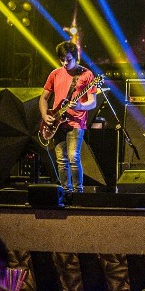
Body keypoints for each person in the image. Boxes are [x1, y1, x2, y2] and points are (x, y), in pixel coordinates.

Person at [39, 40, 98, 193]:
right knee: (61, 160)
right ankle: (66, 192)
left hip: (76, 123)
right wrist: (45, 115)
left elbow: (92, 102)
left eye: (69, 59)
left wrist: (80, 106)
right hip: (57, 122)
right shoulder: (55, 73)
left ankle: (78, 192)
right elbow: (43, 98)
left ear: (76, 57)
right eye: (62, 59)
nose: (65, 63)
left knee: (73, 157)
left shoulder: (86, 74)